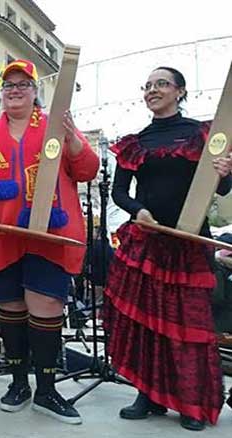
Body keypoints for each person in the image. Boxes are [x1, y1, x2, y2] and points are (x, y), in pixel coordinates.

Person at [0, 59, 99, 425]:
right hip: (2, 235)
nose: (15, 90)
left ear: (35, 91)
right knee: (10, 307)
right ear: (2, 92)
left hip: (49, 236)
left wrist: (72, 139)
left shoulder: (56, 128)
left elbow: (87, 170)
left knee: (46, 306)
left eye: (23, 84)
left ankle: (48, 390)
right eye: (9, 85)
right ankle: (19, 384)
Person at [104, 66, 232, 431]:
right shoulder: (135, 141)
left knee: (189, 326)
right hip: (146, 244)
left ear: (179, 91)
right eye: (147, 86)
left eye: (161, 84)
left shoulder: (201, 134)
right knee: (145, 323)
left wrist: (226, 171)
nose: (152, 90)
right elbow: (118, 193)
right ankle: (148, 395)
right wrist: (138, 211)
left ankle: (192, 403)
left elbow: (222, 189)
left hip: (190, 244)